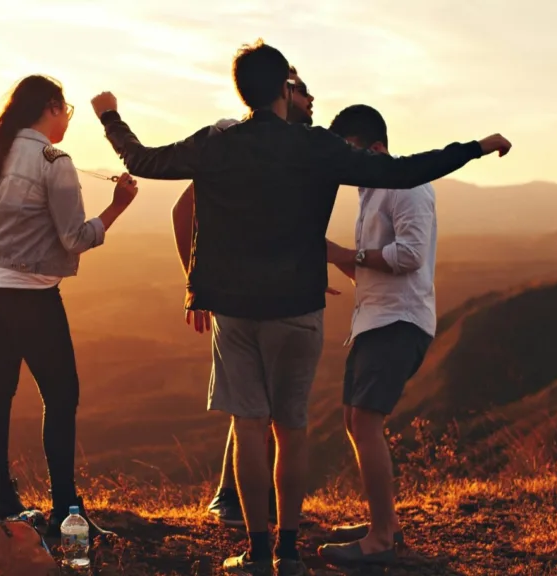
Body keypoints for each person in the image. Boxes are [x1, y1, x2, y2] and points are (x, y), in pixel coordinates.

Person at [92, 40, 510, 575]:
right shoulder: (314, 146)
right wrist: (475, 147)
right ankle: (288, 552)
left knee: (249, 427)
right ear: (285, 90)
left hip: (235, 309)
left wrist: (110, 117)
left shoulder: (217, 144)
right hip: (298, 306)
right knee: (291, 429)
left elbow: (143, 160)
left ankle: (257, 552)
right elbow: (404, 171)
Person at [0, 74, 137, 540]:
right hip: (31, 291)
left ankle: (1, 497)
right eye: (67, 111)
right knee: (61, 396)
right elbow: (74, 238)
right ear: (52, 108)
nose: (67, 121)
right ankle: (66, 510)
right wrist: (118, 206)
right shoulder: (54, 161)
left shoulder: (2, 153)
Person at [171, 65, 316, 528]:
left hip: (269, 294)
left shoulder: (287, 149)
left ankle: (249, 505)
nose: (311, 100)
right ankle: (234, 501)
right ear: (281, 92)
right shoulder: (233, 140)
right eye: (303, 90)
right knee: (254, 409)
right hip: (240, 298)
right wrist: (197, 285)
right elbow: (183, 211)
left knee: (259, 407)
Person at [314, 104, 438, 566]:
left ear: (377, 148)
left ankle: (381, 539)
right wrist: (335, 259)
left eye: (350, 152)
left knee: (365, 422)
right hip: (374, 319)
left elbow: (409, 256)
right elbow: (370, 266)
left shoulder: (407, 186)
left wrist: (346, 254)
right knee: (355, 420)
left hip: (399, 322)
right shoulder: (370, 191)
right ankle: (383, 522)